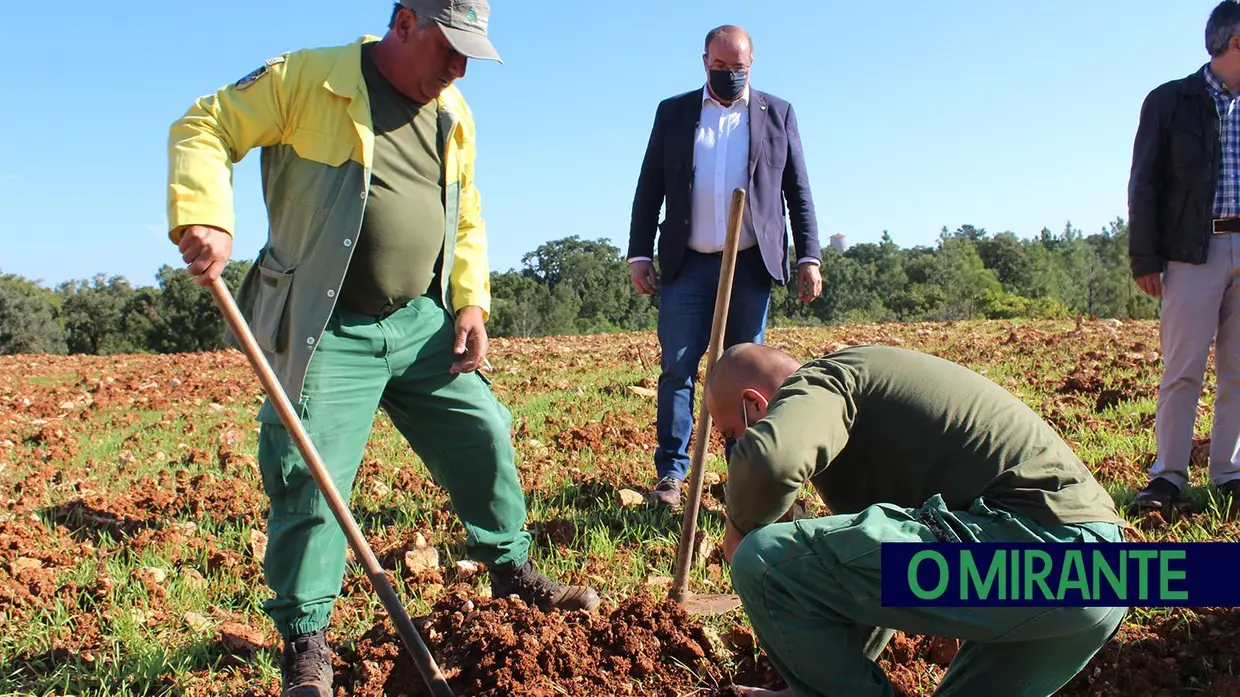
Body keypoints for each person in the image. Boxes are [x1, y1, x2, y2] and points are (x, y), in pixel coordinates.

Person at [165, 2, 600, 695]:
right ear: (404, 22)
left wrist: (470, 300)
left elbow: (469, 211)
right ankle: (306, 643)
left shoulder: (454, 112)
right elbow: (204, 123)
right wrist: (206, 215)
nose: (459, 66)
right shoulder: (307, 79)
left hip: (420, 321)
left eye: (470, 53)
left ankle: (512, 572)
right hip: (327, 323)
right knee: (311, 475)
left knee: (484, 429)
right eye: (448, 47)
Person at [703, 343, 1129, 697]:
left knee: (766, 560)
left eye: (731, 437)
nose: (734, 453)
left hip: (1046, 552)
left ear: (754, 404)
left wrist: (741, 527)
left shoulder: (825, 380)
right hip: (1102, 580)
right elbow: (869, 588)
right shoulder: (867, 443)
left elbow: (771, 461)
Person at [627, 25, 824, 510]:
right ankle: (672, 478)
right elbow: (649, 185)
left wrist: (809, 255)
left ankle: (744, 474)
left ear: (751, 64)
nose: (730, 76)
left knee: (744, 375)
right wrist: (639, 253)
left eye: (738, 69)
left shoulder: (777, 113)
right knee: (677, 370)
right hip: (688, 264)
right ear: (704, 62)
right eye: (720, 68)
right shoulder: (674, 113)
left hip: (750, 266)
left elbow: (797, 189)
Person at [1127, 0, 1240, 510]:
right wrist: (1144, 256)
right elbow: (1144, 182)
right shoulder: (1170, 101)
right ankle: (1168, 477)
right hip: (1193, 253)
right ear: (1235, 44)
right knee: (1183, 369)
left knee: (1239, 370)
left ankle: (1230, 475)